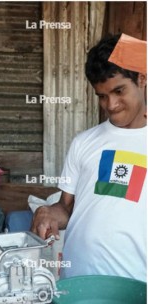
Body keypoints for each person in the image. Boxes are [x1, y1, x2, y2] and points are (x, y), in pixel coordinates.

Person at [32, 33, 146, 282]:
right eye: (102, 96)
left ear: (142, 78)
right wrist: (47, 212)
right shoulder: (84, 142)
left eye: (119, 91)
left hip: (138, 290)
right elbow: (66, 209)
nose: (111, 104)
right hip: (78, 286)